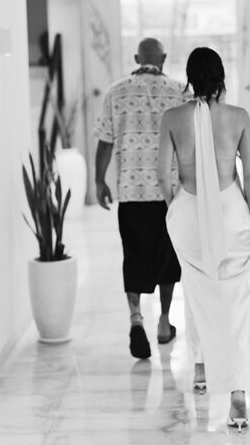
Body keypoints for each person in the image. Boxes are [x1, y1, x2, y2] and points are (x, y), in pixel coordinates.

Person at [157, 47, 250, 432]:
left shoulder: (172, 118)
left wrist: (177, 208)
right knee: (237, 303)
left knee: (198, 292)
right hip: (230, 211)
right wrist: (244, 210)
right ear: (221, 77)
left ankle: (200, 366)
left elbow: (163, 175)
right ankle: (238, 395)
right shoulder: (238, 117)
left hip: (188, 212)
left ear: (189, 77)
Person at [92, 38, 186, 359]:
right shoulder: (179, 92)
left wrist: (99, 180)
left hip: (131, 193)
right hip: (169, 193)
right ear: (163, 58)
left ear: (136, 58)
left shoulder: (116, 92)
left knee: (134, 255)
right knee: (168, 257)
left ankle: (136, 319)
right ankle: (164, 321)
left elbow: (105, 141)